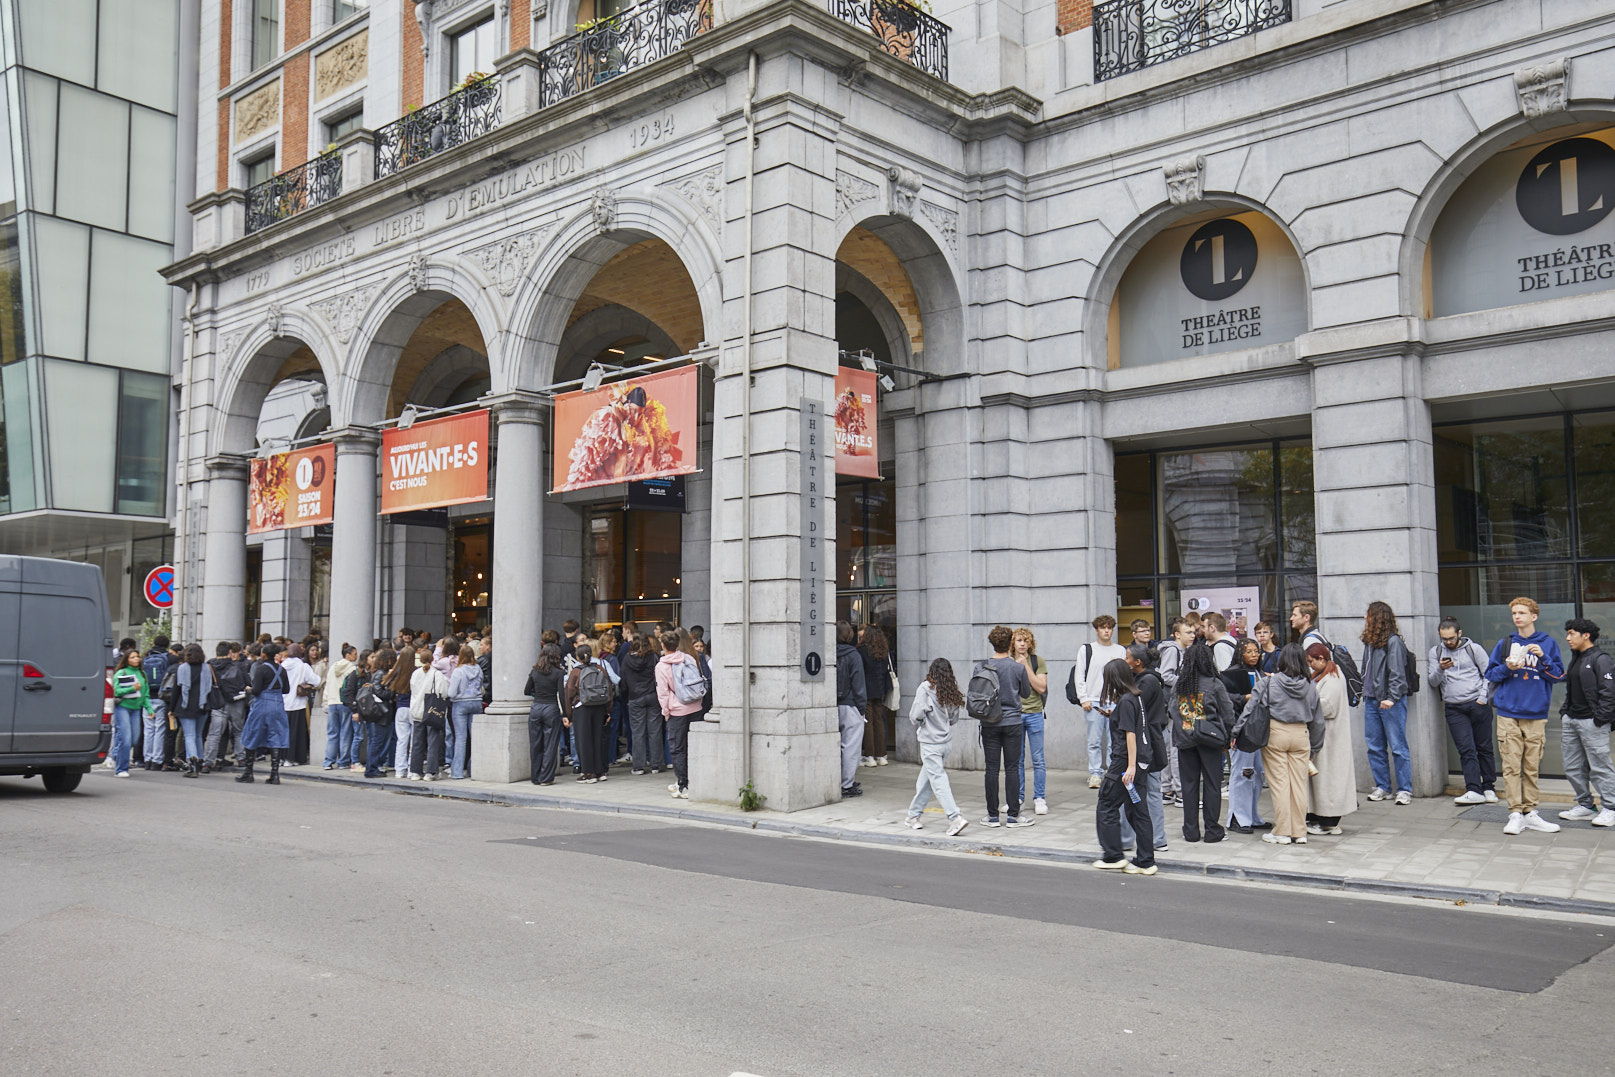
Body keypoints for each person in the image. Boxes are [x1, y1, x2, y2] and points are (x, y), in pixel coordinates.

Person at [1254, 644, 1326, 845]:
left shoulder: (1270, 683)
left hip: (1276, 732)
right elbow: (1318, 721)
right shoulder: (1310, 685)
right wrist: (1315, 747)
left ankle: (1282, 831)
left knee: (1280, 784)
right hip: (1301, 734)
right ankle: (1300, 831)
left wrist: (1236, 732)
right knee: (1299, 784)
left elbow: (1253, 709)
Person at [1092, 659, 1156, 875]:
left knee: (1107, 804)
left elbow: (1130, 735)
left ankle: (1113, 856)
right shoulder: (1136, 698)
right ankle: (1146, 862)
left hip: (1124, 763)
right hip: (1140, 763)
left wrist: (1129, 767)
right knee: (1137, 810)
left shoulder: (1127, 701)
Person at [1428, 616, 1497, 806]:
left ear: (1459, 633)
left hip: (1478, 704)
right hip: (1454, 707)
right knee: (1466, 749)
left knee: (1484, 746)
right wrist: (1441, 669)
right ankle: (1474, 789)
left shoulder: (1473, 649)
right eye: (1444, 639)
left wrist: (1483, 698)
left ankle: (1489, 786)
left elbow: (1489, 674)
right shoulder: (1436, 652)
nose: (1448, 642)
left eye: (1451, 638)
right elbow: (1433, 682)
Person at [1172, 639, 1233, 843]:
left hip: (1185, 740)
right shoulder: (1215, 684)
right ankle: (1212, 830)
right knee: (1212, 785)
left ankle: (1190, 831)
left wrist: (1186, 726)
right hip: (1210, 740)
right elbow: (1228, 713)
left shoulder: (1181, 684)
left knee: (1188, 786)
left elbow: (1172, 710)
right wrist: (1227, 735)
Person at [1557, 618, 1615, 828]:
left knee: (1600, 767)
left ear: (1586, 635)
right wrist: (1565, 712)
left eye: (1571, 633)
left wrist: (1600, 718)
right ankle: (1586, 805)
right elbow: (1571, 688)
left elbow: (1609, 693)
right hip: (1572, 719)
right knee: (1572, 767)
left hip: (1592, 721)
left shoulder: (1601, 659)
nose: (1568, 638)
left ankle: (1611, 808)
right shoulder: (1576, 657)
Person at [904, 658, 969, 836]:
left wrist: (922, 723)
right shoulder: (950, 689)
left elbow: (915, 714)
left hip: (930, 743)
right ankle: (912, 816)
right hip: (945, 742)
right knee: (926, 782)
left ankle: (954, 817)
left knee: (938, 781)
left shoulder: (925, 688)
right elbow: (954, 718)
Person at [977, 625, 1032, 828]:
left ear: (992, 643)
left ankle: (992, 816)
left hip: (989, 722)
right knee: (1012, 768)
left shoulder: (981, 666)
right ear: (1010, 643)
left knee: (991, 769)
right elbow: (1026, 693)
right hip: (1012, 721)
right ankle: (1013, 816)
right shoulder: (1017, 667)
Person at [1360, 601, 1413, 805]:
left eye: (1368, 615)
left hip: (1390, 701)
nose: (1365, 618)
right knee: (1374, 746)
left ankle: (1405, 789)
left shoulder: (1393, 642)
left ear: (1377, 618)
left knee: (1398, 746)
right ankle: (1383, 786)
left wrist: (1391, 698)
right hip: (1371, 700)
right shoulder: (1370, 642)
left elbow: (1398, 673)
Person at [1304, 642, 1358, 836]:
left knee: (1329, 779)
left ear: (1321, 659)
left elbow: (1327, 707)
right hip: (1326, 736)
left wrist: (1305, 704)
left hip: (1331, 738)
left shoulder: (1333, 678)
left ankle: (1328, 820)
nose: (1310, 665)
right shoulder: (1325, 675)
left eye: (1312, 661)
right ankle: (1321, 818)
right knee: (1324, 779)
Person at [1121, 643, 1169, 852]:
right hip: (1148, 741)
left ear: (1137, 663)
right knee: (1147, 791)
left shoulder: (1147, 682)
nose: (1125, 661)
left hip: (1146, 744)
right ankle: (1153, 838)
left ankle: (1155, 838)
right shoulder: (1144, 680)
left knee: (1146, 791)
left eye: (1127, 657)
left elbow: (1137, 713)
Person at [1222, 638, 1270, 834]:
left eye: (1256, 651)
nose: (1253, 655)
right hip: (1241, 730)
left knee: (1257, 774)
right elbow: (1224, 699)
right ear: (1240, 653)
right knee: (1243, 773)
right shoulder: (1231, 673)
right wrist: (1244, 698)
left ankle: (1252, 816)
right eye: (1248, 651)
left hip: (1258, 730)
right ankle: (1237, 818)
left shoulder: (1261, 673)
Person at [1075, 615, 1126, 789]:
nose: (1106, 631)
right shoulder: (1087, 649)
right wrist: (1084, 698)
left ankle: (1112, 772)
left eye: (1109, 627)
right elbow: (1079, 675)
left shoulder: (1120, 650)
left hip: (1114, 700)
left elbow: (1123, 676)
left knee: (1115, 740)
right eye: (1103, 627)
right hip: (1094, 700)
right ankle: (1095, 773)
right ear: (1097, 630)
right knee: (1094, 740)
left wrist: (1122, 699)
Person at [656, 629, 703, 799]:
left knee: (677, 748)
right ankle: (694, 781)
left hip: (677, 710)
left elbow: (662, 693)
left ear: (663, 645)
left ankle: (683, 785)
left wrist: (666, 711)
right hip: (695, 706)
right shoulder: (688, 658)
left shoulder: (661, 666)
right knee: (692, 746)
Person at [1155, 616, 1197, 807]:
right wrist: (1188, 682)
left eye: (1194, 631)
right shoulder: (1173, 650)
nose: (1193, 635)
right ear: (1177, 634)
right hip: (1177, 702)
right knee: (1177, 747)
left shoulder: (1183, 650)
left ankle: (1168, 790)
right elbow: (1165, 676)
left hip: (1179, 702)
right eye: (1188, 632)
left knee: (1173, 746)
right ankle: (1179, 792)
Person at [237, 644, 290, 785]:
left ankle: (248, 773)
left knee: (252, 733)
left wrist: (249, 689)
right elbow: (286, 689)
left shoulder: (261, 669)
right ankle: (275, 774)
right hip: (278, 704)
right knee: (276, 736)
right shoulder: (282, 670)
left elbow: (256, 690)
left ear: (264, 655)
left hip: (262, 704)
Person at [1012, 627, 1050, 815]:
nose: (1022, 644)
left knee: (1038, 759)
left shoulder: (1037, 661)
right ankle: (1018, 798)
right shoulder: (1008, 662)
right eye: (1019, 640)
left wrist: (1025, 666)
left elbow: (1041, 687)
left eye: (1025, 641)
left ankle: (1039, 797)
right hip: (1015, 715)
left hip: (1035, 713)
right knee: (1017, 759)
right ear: (1013, 643)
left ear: (1030, 643)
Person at [564, 644, 614, 783]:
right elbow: (609, 690)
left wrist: (569, 714)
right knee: (598, 739)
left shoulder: (576, 672)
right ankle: (600, 771)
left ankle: (588, 772)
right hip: (599, 707)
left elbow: (569, 693)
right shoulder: (600, 668)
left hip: (582, 708)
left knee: (583, 740)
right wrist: (608, 711)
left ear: (578, 657)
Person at [620, 634, 665, 774]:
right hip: (652, 695)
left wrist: (625, 695)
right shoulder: (653, 657)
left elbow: (623, 680)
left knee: (637, 732)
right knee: (655, 731)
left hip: (635, 697)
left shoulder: (627, 659)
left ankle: (638, 766)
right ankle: (656, 764)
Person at [524, 643, 566, 785]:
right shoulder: (559, 672)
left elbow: (526, 690)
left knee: (535, 744)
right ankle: (546, 777)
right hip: (551, 707)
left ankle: (535, 777)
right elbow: (561, 695)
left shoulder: (535, 671)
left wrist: (537, 693)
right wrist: (566, 714)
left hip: (536, 707)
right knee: (550, 744)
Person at [204, 642, 249, 773]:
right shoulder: (238, 667)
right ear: (229, 653)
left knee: (214, 733)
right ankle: (241, 758)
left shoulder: (209, 667)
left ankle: (208, 762)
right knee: (238, 731)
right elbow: (247, 683)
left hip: (217, 702)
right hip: (236, 702)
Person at [171, 644, 214, 779]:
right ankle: (200, 760)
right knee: (198, 735)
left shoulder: (182, 668)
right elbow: (210, 687)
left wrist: (171, 709)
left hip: (186, 705)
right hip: (203, 705)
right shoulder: (207, 668)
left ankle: (192, 763)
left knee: (189, 735)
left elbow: (176, 690)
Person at [834, 621, 867, 798]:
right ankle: (847, 784)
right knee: (851, 746)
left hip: (832, 704)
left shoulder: (828, 652)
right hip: (850, 704)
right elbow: (858, 684)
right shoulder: (853, 655)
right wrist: (862, 708)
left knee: (837, 746)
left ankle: (838, 780)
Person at [408, 649, 451, 782]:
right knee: (433, 742)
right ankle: (430, 772)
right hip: (431, 711)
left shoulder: (415, 673)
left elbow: (413, 690)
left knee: (417, 742)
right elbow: (443, 692)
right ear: (433, 659)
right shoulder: (436, 675)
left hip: (417, 710)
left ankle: (415, 771)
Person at [109, 649, 149, 778]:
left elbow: (146, 694)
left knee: (134, 738)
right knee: (125, 739)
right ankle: (121, 769)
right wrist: (132, 688)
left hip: (136, 709)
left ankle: (116, 755)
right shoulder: (121, 672)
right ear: (126, 659)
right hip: (123, 708)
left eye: (137, 656)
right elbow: (116, 691)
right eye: (132, 657)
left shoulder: (142, 673)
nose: (136, 659)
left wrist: (150, 709)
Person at [859, 625, 894, 768]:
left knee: (868, 722)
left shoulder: (861, 651)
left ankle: (869, 756)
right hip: (880, 690)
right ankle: (881, 755)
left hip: (866, 691)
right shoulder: (883, 651)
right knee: (879, 721)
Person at [446, 644, 483, 780]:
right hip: (477, 702)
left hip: (460, 704)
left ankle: (457, 772)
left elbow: (451, 692)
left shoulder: (458, 671)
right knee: (475, 738)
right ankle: (473, 769)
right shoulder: (478, 668)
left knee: (461, 738)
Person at [280, 643, 319, 766]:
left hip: (283, 702)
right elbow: (316, 681)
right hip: (298, 703)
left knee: (283, 731)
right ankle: (294, 758)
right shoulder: (303, 666)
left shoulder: (282, 666)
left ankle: (282, 758)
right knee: (296, 732)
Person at [321, 644, 358, 771]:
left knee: (332, 733)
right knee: (345, 733)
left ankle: (328, 761)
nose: (356, 656)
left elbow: (328, 685)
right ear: (348, 655)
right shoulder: (352, 668)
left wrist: (325, 702)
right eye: (354, 653)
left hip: (332, 702)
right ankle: (343, 762)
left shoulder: (333, 667)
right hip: (344, 703)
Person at [361, 650, 397, 779]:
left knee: (376, 741)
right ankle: (371, 769)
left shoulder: (380, 673)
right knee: (377, 741)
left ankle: (373, 767)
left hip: (380, 713)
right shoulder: (381, 674)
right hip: (380, 713)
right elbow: (378, 691)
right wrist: (392, 693)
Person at [386, 644, 417, 779]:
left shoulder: (395, 672)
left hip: (401, 708)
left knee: (401, 741)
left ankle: (400, 770)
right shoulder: (417, 671)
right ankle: (412, 769)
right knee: (414, 741)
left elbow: (388, 689)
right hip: (414, 708)